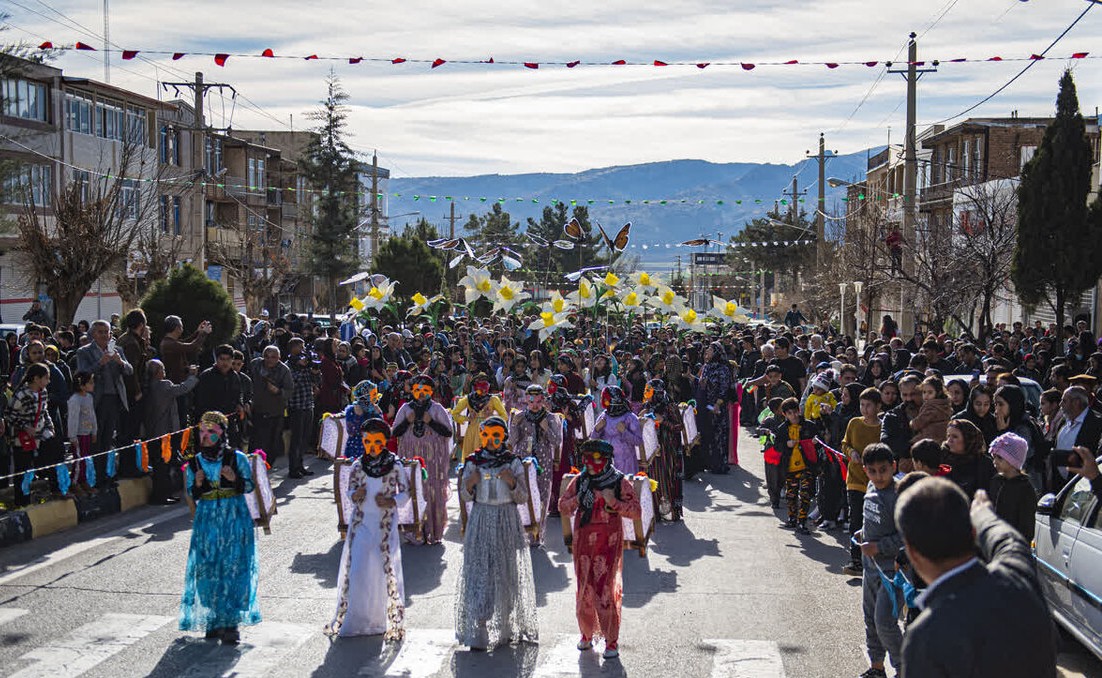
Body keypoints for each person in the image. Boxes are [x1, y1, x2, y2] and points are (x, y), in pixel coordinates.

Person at [895, 478, 1057, 677]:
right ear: (973, 533)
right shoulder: (1017, 573)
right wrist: (983, 516)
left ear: (911, 553)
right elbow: (1009, 540)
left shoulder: (925, 637)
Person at [455, 416, 538, 650]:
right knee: (481, 571)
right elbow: (464, 496)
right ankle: (480, 628)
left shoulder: (512, 462)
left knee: (506, 572)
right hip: (481, 518)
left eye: (496, 435)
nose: (491, 440)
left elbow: (523, 497)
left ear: (504, 437)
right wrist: (470, 483)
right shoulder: (474, 462)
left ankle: (505, 626)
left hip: (506, 519)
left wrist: (512, 483)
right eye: (486, 435)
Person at [179, 411, 261, 645]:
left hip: (234, 518)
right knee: (209, 569)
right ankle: (214, 619)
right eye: (202, 432)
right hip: (207, 521)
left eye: (211, 432)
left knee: (233, 567)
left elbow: (249, 486)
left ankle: (231, 622)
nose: (205, 437)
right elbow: (191, 493)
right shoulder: (195, 463)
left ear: (222, 434)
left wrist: (234, 478)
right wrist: (197, 484)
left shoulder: (237, 458)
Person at [558, 438, 641, 660]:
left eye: (595, 458)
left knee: (605, 591)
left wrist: (613, 501)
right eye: (586, 458)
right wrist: (578, 499)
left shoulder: (618, 481)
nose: (590, 463)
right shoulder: (580, 480)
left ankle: (611, 641)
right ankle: (586, 634)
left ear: (606, 459)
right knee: (584, 588)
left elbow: (636, 511)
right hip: (583, 542)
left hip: (608, 542)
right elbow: (562, 506)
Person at [326, 418, 408, 640]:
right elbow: (350, 490)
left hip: (384, 526)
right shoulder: (358, 466)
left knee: (380, 573)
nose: (372, 447)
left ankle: (377, 622)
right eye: (367, 441)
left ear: (385, 441)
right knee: (358, 570)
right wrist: (356, 495)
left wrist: (391, 501)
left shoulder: (395, 465)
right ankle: (355, 621)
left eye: (377, 442)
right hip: (361, 524)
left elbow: (405, 493)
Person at [853, 443, 903, 678]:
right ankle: (877, 667)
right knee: (871, 618)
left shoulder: (899, 495)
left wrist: (879, 547)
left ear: (893, 466)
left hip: (893, 572)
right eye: (872, 471)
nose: (879, 476)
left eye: (883, 470)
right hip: (870, 568)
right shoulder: (871, 486)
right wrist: (863, 533)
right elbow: (872, 519)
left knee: (884, 621)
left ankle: (904, 668)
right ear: (865, 470)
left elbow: (906, 535)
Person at [392, 375, 454, 545]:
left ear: (431, 391)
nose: (421, 393)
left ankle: (433, 530)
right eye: (417, 390)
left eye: (425, 390)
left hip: (432, 461)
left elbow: (448, 432)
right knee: (413, 489)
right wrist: (407, 421)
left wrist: (431, 422)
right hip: (411, 458)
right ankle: (414, 531)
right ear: (412, 391)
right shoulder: (405, 408)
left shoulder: (437, 409)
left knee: (431, 492)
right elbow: (395, 432)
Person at [75, 320, 135, 478]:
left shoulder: (117, 349)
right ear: (93, 334)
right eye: (100, 332)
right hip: (96, 400)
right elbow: (82, 373)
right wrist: (99, 363)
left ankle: (106, 474)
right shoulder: (84, 351)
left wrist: (120, 362)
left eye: (106, 332)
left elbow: (129, 370)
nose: (103, 335)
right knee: (96, 438)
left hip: (114, 399)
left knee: (109, 438)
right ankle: (96, 475)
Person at [507, 384, 562, 542]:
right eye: (531, 402)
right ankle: (522, 532)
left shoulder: (550, 418)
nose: (535, 405)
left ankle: (537, 535)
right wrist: (514, 424)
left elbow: (556, 441)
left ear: (543, 400)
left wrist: (546, 428)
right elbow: (512, 441)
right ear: (526, 400)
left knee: (542, 497)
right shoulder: (520, 417)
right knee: (522, 495)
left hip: (543, 462)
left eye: (538, 401)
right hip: (522, 461)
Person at [143, 360, 199, 504]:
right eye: (162, 369)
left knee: (160, 465)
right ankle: (161, 496)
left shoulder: (148, 387)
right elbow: (182, 388)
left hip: (153, 431)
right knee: (163, 465)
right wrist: (192, 376)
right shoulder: (163, 385)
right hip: (163, 431)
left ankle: (163, 494)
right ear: (157, 372)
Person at [841, 388, 882, 576]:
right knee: (855, 519)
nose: (865, 409)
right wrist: (851, 452)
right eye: (862, 405)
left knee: (872, 521)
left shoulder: (882, 427)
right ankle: (855, 559)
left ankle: (873, 560)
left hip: (876, 481)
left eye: (869, 405)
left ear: (878, 407)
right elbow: (845, 444)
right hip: (855, 479)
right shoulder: (854, 423)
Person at [7, 363, 60, 506]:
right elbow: (10, 415)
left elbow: (44, 412)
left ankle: (54, 490)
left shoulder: (43, 392)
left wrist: (50, 427)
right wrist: (25, 426)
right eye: (46, 378)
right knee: (22, 471)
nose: (48, 381)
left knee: (50, 459)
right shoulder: (21, 394)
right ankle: (21, 502)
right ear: (36, 379)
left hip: (39, 435)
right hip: (22, 439)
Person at [640, 377, 686, 522]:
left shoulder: (669, 406)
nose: (646, 393)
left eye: (649, 391)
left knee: (668, 479)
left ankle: (671, 511)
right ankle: (655, 512)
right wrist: (640, 418)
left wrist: (663, 421)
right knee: (653, 478)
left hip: (668, 450)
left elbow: (679, 426)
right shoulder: (647, 406)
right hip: (652, 450)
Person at [772, 397, 819, 534]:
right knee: (791, 494)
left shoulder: (809, 426)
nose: (793, 415)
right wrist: (786, 444)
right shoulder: (782, 429)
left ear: (799, 411)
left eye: (795, 412)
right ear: (784, 414)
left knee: (805, 494)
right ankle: (792, 518)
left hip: (806, 465)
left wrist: (815, 442)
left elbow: (819, 440)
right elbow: (777, 446)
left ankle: (802, 521)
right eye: (789, 413)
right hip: (790, 467)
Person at [248, 345, 293, 466]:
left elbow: (289, 391)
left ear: (278, 357)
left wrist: (278, 391)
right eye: (267, 356)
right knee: (256, 439)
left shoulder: (284, 370)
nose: (269, 360)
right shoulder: (256, 365)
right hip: (257, 410)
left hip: (275, 411)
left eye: (273, 357)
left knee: (272, 441)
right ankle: (253, 465)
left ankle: (267, 465)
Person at [192, 345, 244, 449]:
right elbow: (199, 402)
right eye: (222, 359)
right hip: (211, 424)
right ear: (217, 359)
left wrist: (240, 405)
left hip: (229, 423)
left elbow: (238, 394)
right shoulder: (206, 376)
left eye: (228, 359)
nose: (225, 363)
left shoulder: (234, 376)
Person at [987, 432, 1036, 540]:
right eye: (994, 457)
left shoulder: (1025, 489)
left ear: (1013, 461)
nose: (995, 462)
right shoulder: (996, 481)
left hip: (1012, 544)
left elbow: (1027, 527)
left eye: (1000, 458)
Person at [451, 374, 508, 462]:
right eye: (480, 383)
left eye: (485, 382)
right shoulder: (468, 399)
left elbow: (504, 416)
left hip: (488, 432)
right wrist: (467, 418)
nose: (484, 390)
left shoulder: (493, 399)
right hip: (472, 432)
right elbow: (454, 414)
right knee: (471, 461)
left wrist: (492, 417)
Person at [698, 341, 733, 474]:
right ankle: (707, 462)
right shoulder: (706, 367)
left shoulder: (723, 369)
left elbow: (724, 388)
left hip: (718, 406)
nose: (707, 351)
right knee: (706, 433)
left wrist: (718, 404)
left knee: (719, 435)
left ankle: (719, 464)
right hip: (705, 405)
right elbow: (702, 384)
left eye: (711, 350)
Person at [593, 386, 643, 476]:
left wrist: (624, 431)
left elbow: (638, 441)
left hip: (626, 464)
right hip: (607, 463)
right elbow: (593, 441)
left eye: (605, 399)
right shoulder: (603, 416)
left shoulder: (630, 417)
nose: (602, 401)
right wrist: (596, 429)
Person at [286, 350, 319, 478]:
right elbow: (292, 383)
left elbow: (317, 381)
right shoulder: (289, 366)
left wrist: (315, 371)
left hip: (308, 405)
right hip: (296, 406)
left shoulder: (307, 366)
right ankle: (293, 468)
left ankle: (300, 465)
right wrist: (301, 368)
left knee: (305, 438)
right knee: (296, 439)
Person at [67, 371, 97, 493]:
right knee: (79, 460)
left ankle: (83, 481)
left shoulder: (89, 398)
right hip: (78, 436)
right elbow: (72, 419)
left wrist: (94, 431)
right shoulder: (75, 400)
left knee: (85, 459)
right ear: (81, 385)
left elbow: (92, 415)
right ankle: (74, 482)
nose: (93, 385)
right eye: (90, 382)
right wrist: (72, 437)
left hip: (87, 434)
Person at [909, 375, 951, 443]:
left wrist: (912, 423)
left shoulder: (931, 407)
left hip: (929, 436)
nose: (926, 395)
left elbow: (920, 422)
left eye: (930, 392)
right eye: (924, 392)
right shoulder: (945, 404)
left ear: (938, 392)